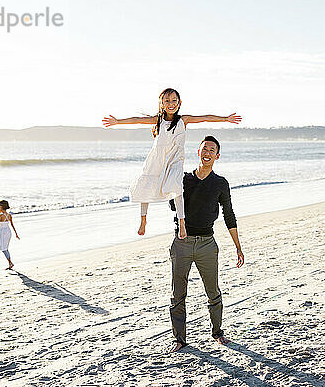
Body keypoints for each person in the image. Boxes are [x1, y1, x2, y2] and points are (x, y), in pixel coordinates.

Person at [102, 88, 241, 239]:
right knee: (146, 184)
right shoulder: (157, 120)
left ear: (179, 103)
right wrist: (117, 122)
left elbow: (205, 117)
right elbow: (136, 120)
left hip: (175, 158)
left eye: (174, 100)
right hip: (158, 157)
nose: (171, 104)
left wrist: (225, 119)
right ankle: (143, 220)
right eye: (167, 101)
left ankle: (182, 222)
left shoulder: (183, 120)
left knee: (176, 186)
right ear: (161, 104)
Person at [168, 136, 244, 353]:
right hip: (181, 243)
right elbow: (173, 207)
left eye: (212, 149)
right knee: (178, 294)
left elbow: (229, 215)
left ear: (217, 156)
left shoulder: (220, 183)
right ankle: (180, 339)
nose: (208, 152)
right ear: (198, 152)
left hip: (207, 245)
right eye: (205, 149)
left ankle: (217, 332)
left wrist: (237, 246)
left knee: (213, 292)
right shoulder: (182, 179)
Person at [0, 200, 20, 270]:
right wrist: (16, 234)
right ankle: (10, 263)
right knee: (5, 248)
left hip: (2, 232)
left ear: (1, 207)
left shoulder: (0, 216)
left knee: (4, 249)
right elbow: (12, 225)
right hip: (8, 231)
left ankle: (10, 263)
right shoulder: (9, 215)